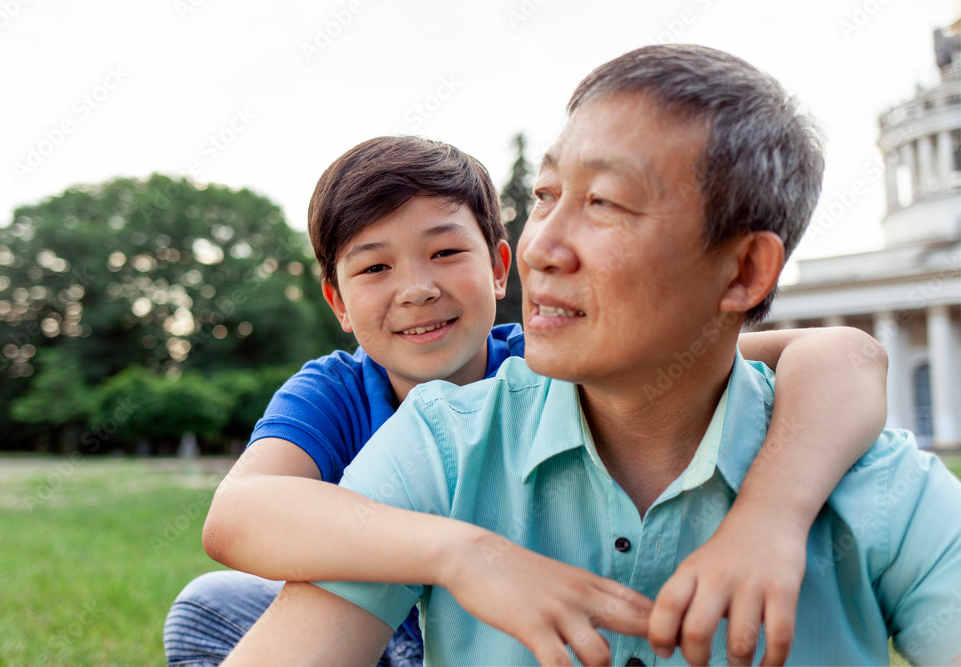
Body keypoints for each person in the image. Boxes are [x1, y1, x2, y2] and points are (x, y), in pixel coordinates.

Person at [220, 44, 961, 667]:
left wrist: (773, 515)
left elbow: (845, 353)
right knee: (211, 607)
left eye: (604, 202)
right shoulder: (441, 441)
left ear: (742, 273)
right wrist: (465, 553)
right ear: (337, 300)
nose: (544, 247)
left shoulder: (877, 489)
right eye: (545, 195)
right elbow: (241, 516)